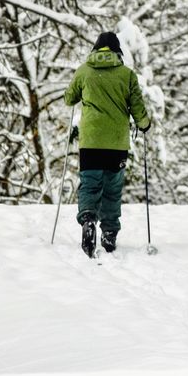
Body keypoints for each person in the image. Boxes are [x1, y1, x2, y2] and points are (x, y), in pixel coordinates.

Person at [64, 32, 151, 257]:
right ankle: (109, 234)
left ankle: (88, 220)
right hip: (116, 144)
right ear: (117, 51)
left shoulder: (84, 71)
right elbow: (137, 107)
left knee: (90, 185)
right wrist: (145, 125)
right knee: (112, 190)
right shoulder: (127, 74)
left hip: (91, 142)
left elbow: (69, 99)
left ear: (96, 49)